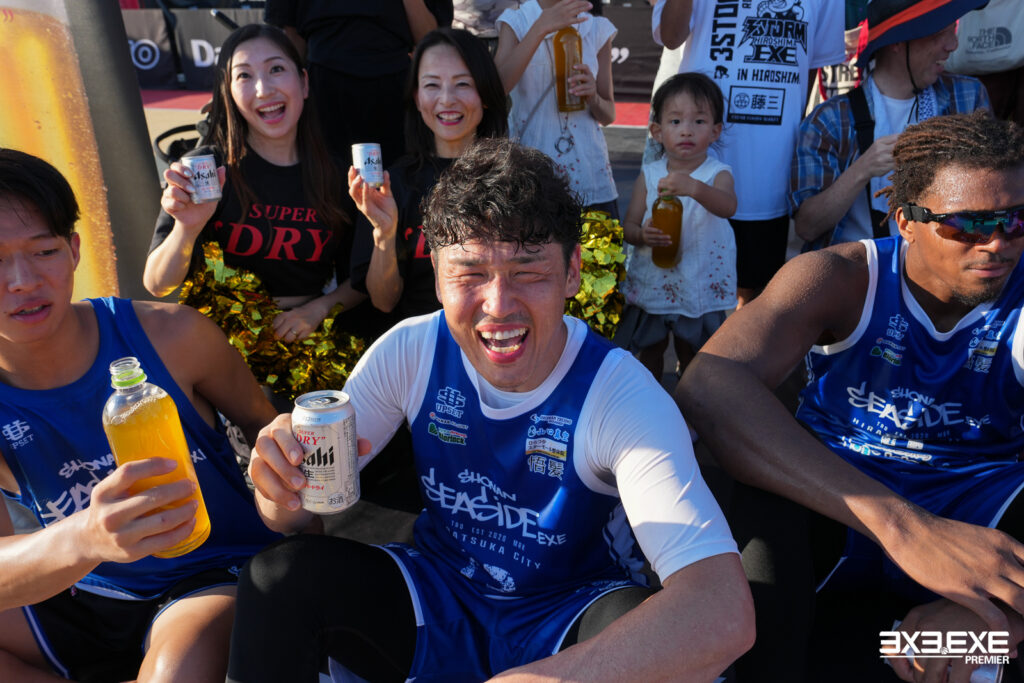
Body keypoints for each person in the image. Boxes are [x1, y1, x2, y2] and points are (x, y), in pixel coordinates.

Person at [226, 138, 754, 682]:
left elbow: (721, 612)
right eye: (470, 274)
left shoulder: (620, 393)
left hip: (570, 609)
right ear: (437, 276)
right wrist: (279, 482)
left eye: (528, 272)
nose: (498, 306)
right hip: (439, 595)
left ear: (573, 271)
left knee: (665, 640)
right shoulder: (411, 350)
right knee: (277, 577)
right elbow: (294, 516)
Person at [678, 110, 1024, 682]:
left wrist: (1002, 616)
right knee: (757, 522)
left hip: (976, 501)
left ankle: (966, 636)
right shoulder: (841, 276)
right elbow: (708, 384)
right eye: (969, 224)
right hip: (842, 494)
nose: (998, 242)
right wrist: (905, 528)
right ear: (905, 221)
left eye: (1016, 219)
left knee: (980, 652)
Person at [0, 149, 281, 682]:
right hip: (82, 587)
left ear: (74, 250)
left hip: (207, 575)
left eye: (43, 251)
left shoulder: (173, 335)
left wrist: (292, 483)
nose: (21, 280)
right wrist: (85, 537)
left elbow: (263, 427)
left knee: (175, 671)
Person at [144, 24, 367, 406]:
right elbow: (157, 284)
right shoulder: (205, 167)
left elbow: (360, 283)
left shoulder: (336, 173)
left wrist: (317, 309)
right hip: (218, 347)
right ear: (228, 92)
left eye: (276, 69)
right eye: (244, 76)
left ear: (304, 83)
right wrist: (186, 228)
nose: (263, 89)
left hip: (303, 342)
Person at [654, 0, 844, 305]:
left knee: (755, 295)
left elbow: (809, 65)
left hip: (768, 168)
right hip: (696, 162)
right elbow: (671, 36)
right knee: (682, 292)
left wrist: (786, 127)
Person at [791, 0, 991, 248]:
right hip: (860, 265)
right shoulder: (830, 120)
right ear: (898, 41)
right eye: (940, 32)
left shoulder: (967, 97)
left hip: (944, 261)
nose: (953, 45)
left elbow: (992, 192)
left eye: (954, 29)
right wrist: (861, 170)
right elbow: (807, 227)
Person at [348, 27, 508, 324]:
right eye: (432, 85)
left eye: (463, 84)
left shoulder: (514, 177)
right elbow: (384, 302)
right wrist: (384, 233)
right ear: (417, 97)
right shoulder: (391, 184)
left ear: (486, 93)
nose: (446, 99)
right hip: (421, 344)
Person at [619, 73, 736, 381]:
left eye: (699, 121)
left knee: (693, 353)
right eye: (675, 121)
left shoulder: (717, 173)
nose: (686, 130)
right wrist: (642, 235)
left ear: (715, 131)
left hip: (697, 283)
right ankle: (650, 399)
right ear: (656, 131)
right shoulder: (650, 174)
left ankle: (689, 402)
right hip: (655, 283)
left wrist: (694, 188)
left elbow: (728, 206)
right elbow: (628, 226)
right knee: (649, 351)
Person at [264, 0, 455, 170]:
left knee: (400, 183)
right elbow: (290, 34)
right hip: (322, 87)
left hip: (395, 88)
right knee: (327, 181)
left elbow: (430, 38)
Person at [494, 0, 620, 217]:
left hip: (591, 178)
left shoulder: (597, 28)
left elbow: (608, 115)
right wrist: (540, 27)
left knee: (599, 241)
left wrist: (592, 96)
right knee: (536, 238)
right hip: (532, 177)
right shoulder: (517, 22)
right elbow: (496, 89)